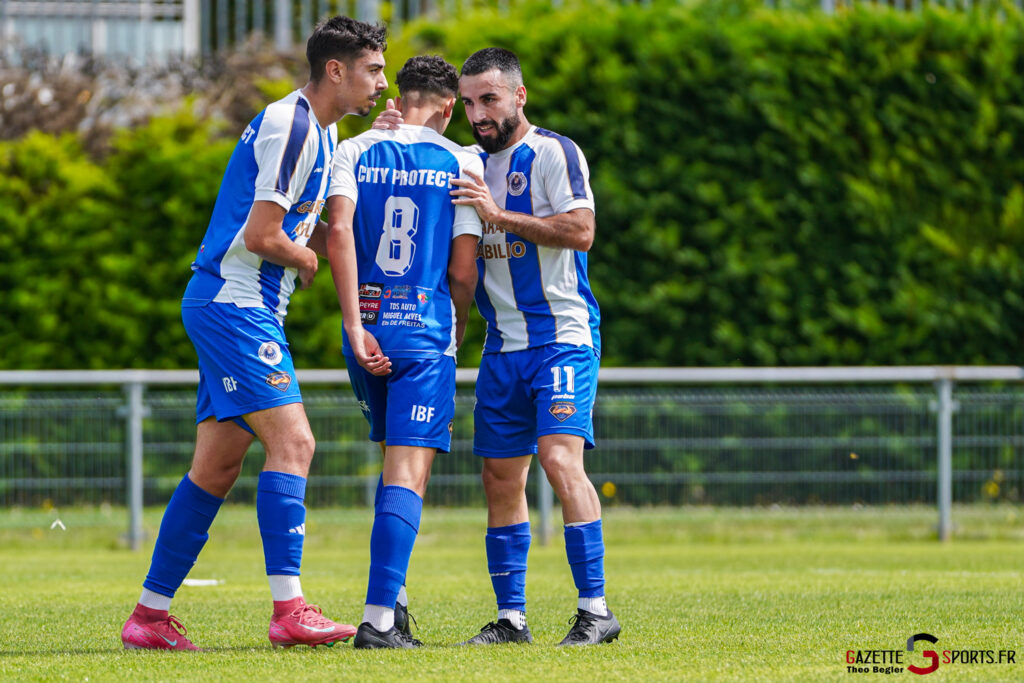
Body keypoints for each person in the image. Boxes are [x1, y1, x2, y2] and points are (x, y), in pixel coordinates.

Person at [120, 16, 389, 651]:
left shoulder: (319, 133)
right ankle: (289, 610)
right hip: (234, 305)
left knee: (215, 469)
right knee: (295, 444)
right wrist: (307, 258)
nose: (380, 83)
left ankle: (149, 618)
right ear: (335, 70)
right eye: (373, 70)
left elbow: (284, 222)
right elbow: (261, 235)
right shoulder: (293, 125)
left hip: (239, 307)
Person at [449, 47, 619, 646]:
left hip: (561, 340)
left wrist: (500, 216)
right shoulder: (466, 161)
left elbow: (582, 231)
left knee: (559, 459)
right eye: (468, 102)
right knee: (499, 476)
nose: (478, 113)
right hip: (502, 348)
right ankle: (511, 619)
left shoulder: (553, 151)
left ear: (519, 96)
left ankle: (596, 610)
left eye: (489, 99)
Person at [326, 54, 482, 649]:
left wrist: (354, 324)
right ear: (448, 106)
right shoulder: (460, 160)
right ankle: (378, 620)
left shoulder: (355, 149)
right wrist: (460, 324)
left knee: (392, 464)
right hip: (423, 330)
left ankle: (396, 605)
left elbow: (338, 233)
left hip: (363, 327)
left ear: (404, 94)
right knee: (408, 474)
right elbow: (463, 272)